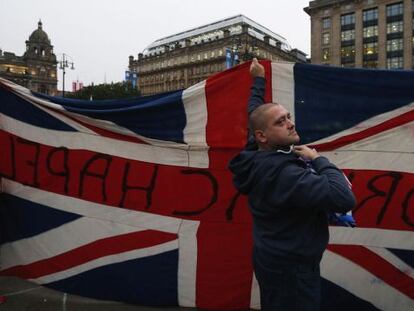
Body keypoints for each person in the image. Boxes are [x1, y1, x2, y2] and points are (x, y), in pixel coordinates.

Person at [229, 59, 356, 311]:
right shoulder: (284, 174)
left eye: (288, 116)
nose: (290, 123)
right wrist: (317, 158)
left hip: (273, 258)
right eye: (281, 122)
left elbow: (255, 112)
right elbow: (343, 198)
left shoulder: (255, 150)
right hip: (292, 270)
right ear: (263, 136)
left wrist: (259, 80)